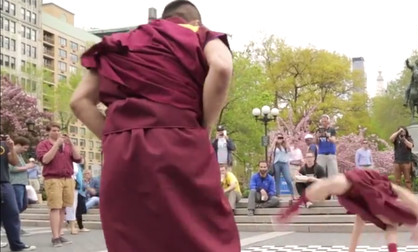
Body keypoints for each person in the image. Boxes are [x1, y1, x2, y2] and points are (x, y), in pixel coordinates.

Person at [69, 1, 240, 251]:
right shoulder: (198, 34)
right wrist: (204, 126)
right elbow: (223, 67)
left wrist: (115, 136)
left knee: (135, 239)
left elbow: (78, 101)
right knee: (204, 234)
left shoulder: (118, 45)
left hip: (122, 152)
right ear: (194, 22)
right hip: (179, 139)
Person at [276, 169, 418, 252]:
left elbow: (357, 230)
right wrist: (416, 228)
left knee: (332, 184)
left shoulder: (367, 212)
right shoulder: (389, 192)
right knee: (332, 184)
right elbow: (413, 201)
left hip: (359, 191)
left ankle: (294, 207)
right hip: (365, 181)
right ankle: (293, 207)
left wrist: (351, 250)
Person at [36, 124, 80, 247]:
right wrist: (56, 145)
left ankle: (59, 235)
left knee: (63, 208)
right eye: (54, 130)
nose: (57, 132)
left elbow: (78, 158)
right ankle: (55, 237)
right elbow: (45, 160)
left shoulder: (67, 145)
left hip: (68, 178)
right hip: (53, 178)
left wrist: (71, 143)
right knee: (55, 208)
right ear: (48, 132)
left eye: (58, 130)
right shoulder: (43, 145)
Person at [0, 135, 37, 251]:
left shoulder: (3, 145)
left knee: (12, 213)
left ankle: (16, 245)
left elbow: (14, 162)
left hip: (4, 183)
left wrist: (11, 148)